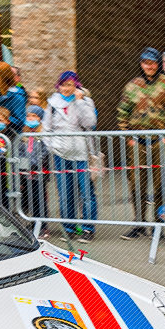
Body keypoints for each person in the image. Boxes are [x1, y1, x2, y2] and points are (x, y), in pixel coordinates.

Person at [116, 47, 165, 238]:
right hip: (137, 142)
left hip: (160, 142)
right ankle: (139, 223)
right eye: (145, 63)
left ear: (158, 64)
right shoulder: (133, 85)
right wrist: (128, 137)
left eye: (152, 63)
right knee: (136, 183)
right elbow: (123, 112)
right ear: (141, 64)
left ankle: (158, 223)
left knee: (159, 184)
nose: (149, 66)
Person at [44, 71, 97, 240]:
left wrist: (80, 102)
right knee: (65, 192)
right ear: (58, 86)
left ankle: (88, 227)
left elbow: (90, 123)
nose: (66, 88)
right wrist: (52, 146)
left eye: (70, 85)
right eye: (63, 85)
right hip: (60, 152)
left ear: (76, 86)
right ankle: (69, 227)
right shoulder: (52, 103)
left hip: (81, 153)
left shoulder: (85, 101)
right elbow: (46, 128)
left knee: (86, 192)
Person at [0, 62, 28, 134]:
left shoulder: (16, 95)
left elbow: (20, 121)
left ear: (4, 76)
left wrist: (2, 118)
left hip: (11, 135)